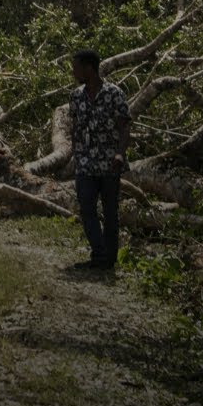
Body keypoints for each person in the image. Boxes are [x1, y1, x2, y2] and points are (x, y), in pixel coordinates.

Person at [68, 48, 131, 270]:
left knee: (110, 211)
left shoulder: (114, 94)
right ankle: (99, 254)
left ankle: (109, 259)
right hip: (85, 162)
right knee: (86, 206)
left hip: (109, 162)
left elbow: (125, 127)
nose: (74, 72)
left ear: (89, 68)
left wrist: (119, 153)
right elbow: (75, 126)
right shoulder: (76, 96)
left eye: (76, 68)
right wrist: (75, 153)